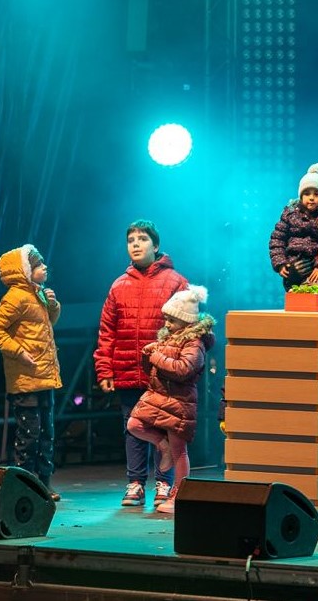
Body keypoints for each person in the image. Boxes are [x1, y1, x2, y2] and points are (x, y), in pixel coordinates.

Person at [95, 220, 189, 508]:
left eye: (142, 239)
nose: (135, 244)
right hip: (127, 369)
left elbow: (190, 327)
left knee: (163, 427)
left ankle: (164, 482)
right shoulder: (118, 285)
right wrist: (105, 368)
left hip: (162, 373)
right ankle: (135, 483)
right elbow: (107, 331)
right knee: (132, 427)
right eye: (131, 240)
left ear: (156, 245)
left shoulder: (175, 282)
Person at [127, 286, 215, 514]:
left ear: (186, 321)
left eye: (172, 320)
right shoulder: (169, 337)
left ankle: (178, 495)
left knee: (179, 451)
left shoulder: (195, 343)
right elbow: (153, 370)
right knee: (134, 424)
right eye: (166, 319)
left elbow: (183, 369)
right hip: (158, 395)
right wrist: (148, 355)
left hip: (179, 400)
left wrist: (156, 356)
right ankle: (161, 445)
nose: (166, 324)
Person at [0, 244, 62, 501]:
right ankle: (26, 484)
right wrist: (18, 351)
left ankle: (44, 482)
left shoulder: (37, 293)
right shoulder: (15, 297)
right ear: (25, 271)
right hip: (26, 378)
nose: (44, 268)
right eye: (38, 265)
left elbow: (48, 324)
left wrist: (53, 306)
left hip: (45, 375)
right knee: (29, 435)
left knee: (47, 433)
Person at [269, 163, 318, 290]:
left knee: (314, 293)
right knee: (295, 294)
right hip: (293, 265)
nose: (311, 198)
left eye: (316, 194)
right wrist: (281, 263)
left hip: (316, 269)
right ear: (301, 196)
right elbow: (277, 239)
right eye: (307, 194)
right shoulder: (290, 214)